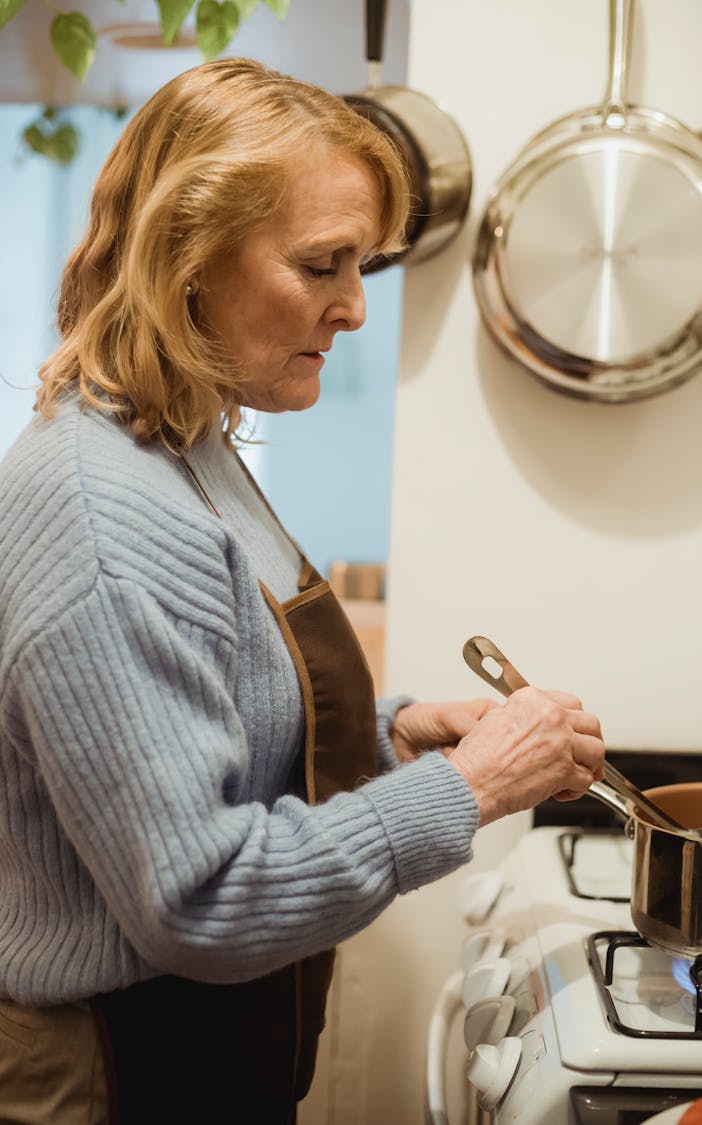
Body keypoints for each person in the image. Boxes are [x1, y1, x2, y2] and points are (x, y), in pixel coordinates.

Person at [0, 57, 606, 1125]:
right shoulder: (106, 513)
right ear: (184, 260)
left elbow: (208, 728)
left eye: (361, 264)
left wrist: (396, 734)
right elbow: (203, 901)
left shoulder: (185, 445)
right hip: (113, 1067)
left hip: (197, 1039)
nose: (355, 308)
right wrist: (468, 789)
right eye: (325, 263)